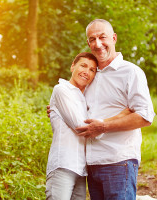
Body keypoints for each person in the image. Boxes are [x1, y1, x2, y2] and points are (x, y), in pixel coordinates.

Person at [74, 19, 156, 200]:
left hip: (119, 161)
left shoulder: (131, 72)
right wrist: (57, 108)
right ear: (88, 43)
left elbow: (145, 116)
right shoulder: (89, 75)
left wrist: (103, 127)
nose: (98, 44)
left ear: (114, 38)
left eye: (102, 37)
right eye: (92, 39)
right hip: (91, 164)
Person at [45, 52, 132, 200]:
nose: (87, 72)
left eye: (92, 70)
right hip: (63, 164)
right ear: (73, 66)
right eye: (83, 66)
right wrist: (121, 116)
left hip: (80, 169)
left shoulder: (84, 98)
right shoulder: (61, 90)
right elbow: (81, 127)